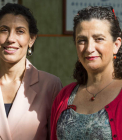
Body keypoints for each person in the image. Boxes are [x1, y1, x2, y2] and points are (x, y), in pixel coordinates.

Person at [0, 3, 62, 140]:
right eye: (4, 30)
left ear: (31, 39)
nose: (11, 39)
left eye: (20, 31)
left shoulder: (50, 85)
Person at [51, 6, 122, 140]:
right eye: (82, 40)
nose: (89, 48)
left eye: (99, 39)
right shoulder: (64, 96)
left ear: (116, 45)